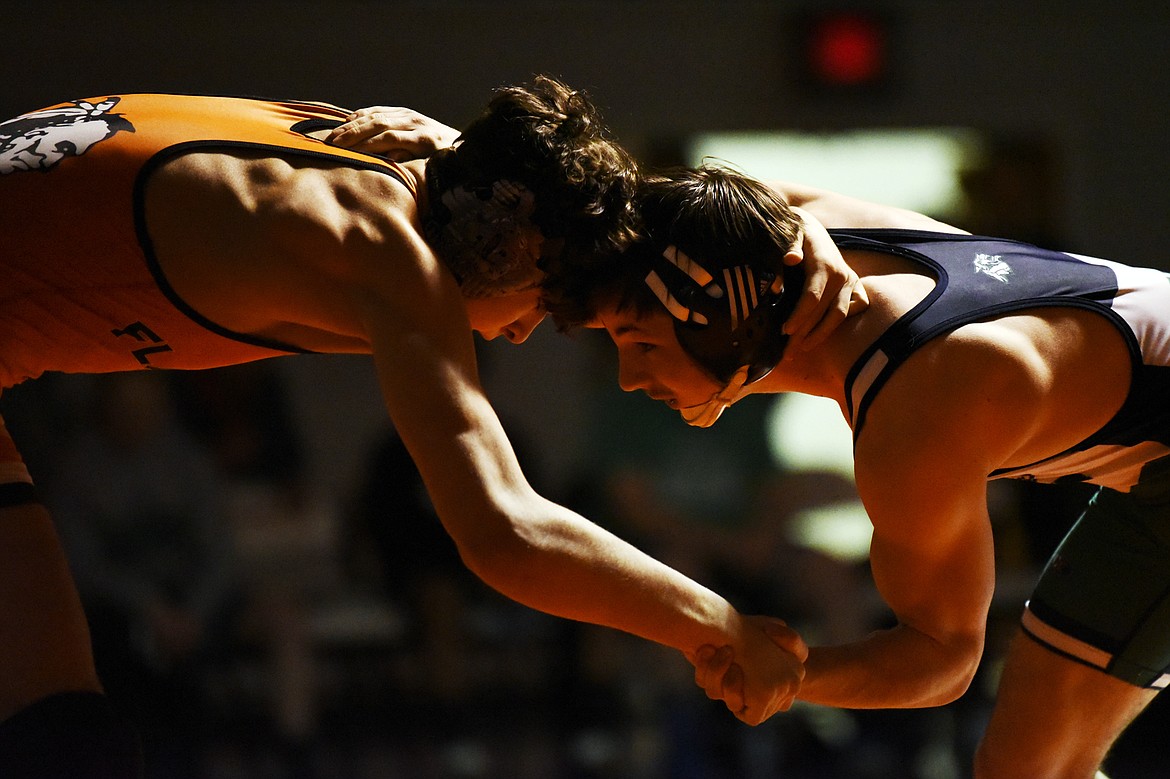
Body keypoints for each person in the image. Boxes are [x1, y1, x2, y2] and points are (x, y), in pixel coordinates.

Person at [0, 80, 861, 775]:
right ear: (511, 252)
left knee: (65, 732)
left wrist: (799, 225)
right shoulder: (380, 247)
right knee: (66, 743)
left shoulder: (409, 160)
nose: (523, 331)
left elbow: (563, 177)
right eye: (541, 305)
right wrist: (720, 623)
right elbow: (506, 532)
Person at [561, 164, 1169, 778]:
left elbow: (945, 658)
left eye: (641, 343)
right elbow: (680, 201)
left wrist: (789, 675)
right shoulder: (803, 231)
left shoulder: (918, 408)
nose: (629, 379)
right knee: (1028, 769)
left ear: (725, 323)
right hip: (1151, 472)